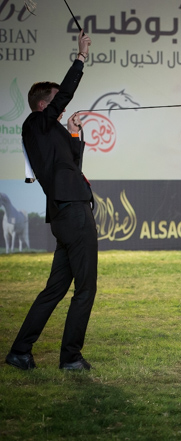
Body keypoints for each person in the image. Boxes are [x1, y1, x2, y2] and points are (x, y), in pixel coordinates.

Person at [5, 30, 97, 371]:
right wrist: (81, 57)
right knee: (85, 289)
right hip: (72, 213)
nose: (64, 106)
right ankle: (70, 357)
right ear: (44, 105)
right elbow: (65, 93)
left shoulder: (50, 131)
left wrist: (73, 131)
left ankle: (20, 352)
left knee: (54, 290)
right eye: (58, 102)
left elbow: (73, 165)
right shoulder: (36, 123)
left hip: (65, 214)